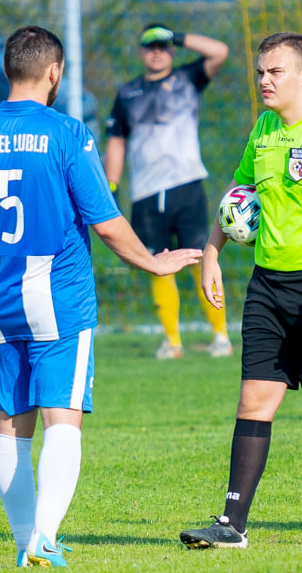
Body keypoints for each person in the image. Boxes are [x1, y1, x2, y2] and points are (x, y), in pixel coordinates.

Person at [0, 26, 202, 567]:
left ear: (9, 71)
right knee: (62, 421)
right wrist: (153, 261)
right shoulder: (67, 134)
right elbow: (107, 222)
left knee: (10, 425)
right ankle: (43, 536)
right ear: (55, 72)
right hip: (57, 295)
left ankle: (26, 540)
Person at [179, 32, 302, 548]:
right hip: (268, 285)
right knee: (254, 400)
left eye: (275, 72)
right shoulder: (264, 130)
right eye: (261, 71)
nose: (264, 80)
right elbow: (237, 193)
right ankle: (231, 525)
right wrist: (213, 252)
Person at [105, 23, 231, 360]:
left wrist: (177, 35)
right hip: (146, 193)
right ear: (141, 52)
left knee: (200, 259)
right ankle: (172, 341)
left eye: (163, 46)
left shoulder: (188, 79)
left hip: (187, 186)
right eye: (150, 46)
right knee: (156, 262)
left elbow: (220, 51)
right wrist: (112, 186)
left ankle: (221, 336)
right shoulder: (128, 92)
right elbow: (116, 141)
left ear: (173, 50)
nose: (157, 51)